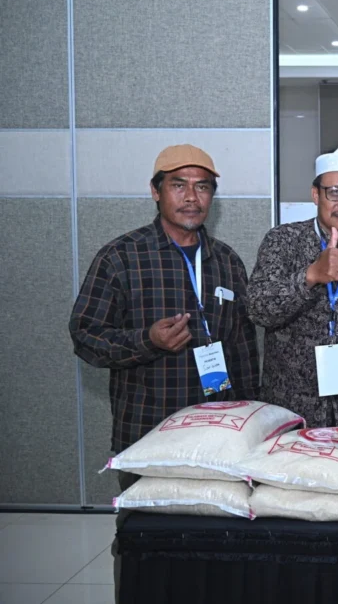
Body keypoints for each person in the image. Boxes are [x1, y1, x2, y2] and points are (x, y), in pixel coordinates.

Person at [70, 144, 260, 489]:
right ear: (155, 191)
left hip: (219, 432)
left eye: (202, 187)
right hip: (148, 430)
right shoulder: (121, 257)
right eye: (178, 185)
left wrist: (249, 416)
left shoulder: (226, 261)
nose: (191, 197)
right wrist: (148, 341)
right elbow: (85, 335)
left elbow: (243, 348)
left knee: (216, 520)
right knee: (148, 522)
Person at [248, 142, 338, 433]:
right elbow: (258, 309)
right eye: (335, 192)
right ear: (316, 194)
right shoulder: (283, 241)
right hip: (293, 409)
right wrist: (310, 275)